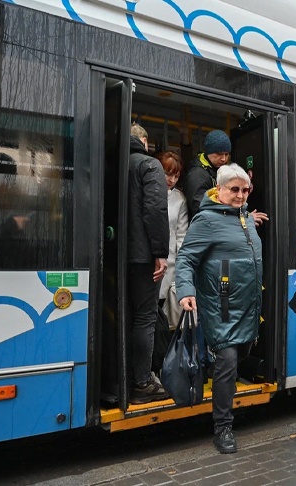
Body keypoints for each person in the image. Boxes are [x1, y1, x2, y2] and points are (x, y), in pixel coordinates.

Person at [176, 163, 263, 454]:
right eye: (234, 189)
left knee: (237, 358)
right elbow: (186, 258)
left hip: (248, 305)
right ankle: (223, 427)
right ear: (220, 189)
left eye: (244, 190)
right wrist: (186, 291)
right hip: (221, 305)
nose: (240, 195)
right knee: (227, 361)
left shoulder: (245, 218)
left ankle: (221, 396)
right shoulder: (207, 219)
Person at [128, 124, 170, 404]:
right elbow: (155, 210)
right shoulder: (148, 164)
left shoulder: (113, 162)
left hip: (119, 255)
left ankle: (128, 374)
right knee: (145, 317)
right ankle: (142, 383)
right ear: (144, 140)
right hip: (144, 257)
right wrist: (160, 252)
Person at [155, 151, 188, 324]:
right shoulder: (146, 191)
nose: (172, 180)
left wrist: (183, 268)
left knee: (166, 312)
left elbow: (182, 234)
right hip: (148, 261)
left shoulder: (179, 198)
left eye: (176, 176)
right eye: (168, 174)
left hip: (171, 263)